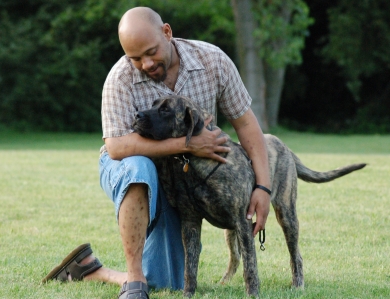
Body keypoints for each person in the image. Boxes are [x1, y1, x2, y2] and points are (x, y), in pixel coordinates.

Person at [43, 6, 271, 299]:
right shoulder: (120, 79)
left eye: (151, 52)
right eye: (135, 58)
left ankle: (89, 269)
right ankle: (134, 281)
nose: (146, 63)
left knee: (169, 283)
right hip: (127, 167)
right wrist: (188, 144)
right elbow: (118, 147)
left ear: (167, 32)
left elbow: (246, 124)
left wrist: (263, 186)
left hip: (179, 182)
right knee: (140, 168)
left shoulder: (212, 60)